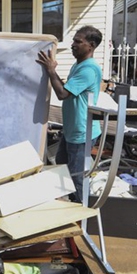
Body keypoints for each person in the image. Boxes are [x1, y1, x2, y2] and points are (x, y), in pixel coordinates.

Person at [36, 26, 103, 203]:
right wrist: (53, 71)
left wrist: (51, 70)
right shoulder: (79, 65)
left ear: (91, 45)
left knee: (76, 177)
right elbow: (67, 87)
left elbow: (62, 94)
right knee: (62, 168)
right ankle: (71, 207)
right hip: (72, 129)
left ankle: (83, 216)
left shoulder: (89, 69)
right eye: (73, 40)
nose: (73, 45)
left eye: (78, 41)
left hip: (82, 132)